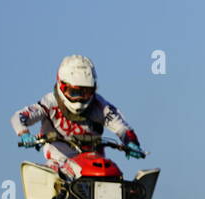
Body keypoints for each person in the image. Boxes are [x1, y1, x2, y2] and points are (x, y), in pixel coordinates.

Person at [11, 55, 144, 176]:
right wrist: (24, 133)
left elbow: (121, 126)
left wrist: (131, 142)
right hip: (59, 163)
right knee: (47, 175)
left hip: (92, 164)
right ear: (62, 86)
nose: (80, 99)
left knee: (112, 172)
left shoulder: (100, 105)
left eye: (86, 93)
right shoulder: (50, 102)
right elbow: (18, 117)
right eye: (74, 92)